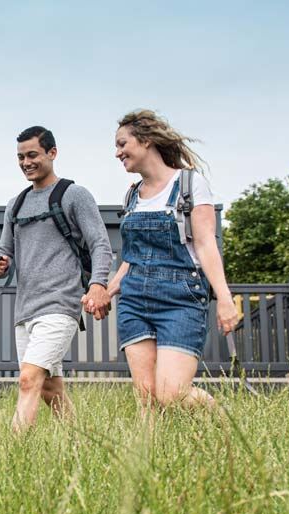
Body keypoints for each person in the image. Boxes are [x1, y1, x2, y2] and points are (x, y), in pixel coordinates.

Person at [97, 110, 238, 408]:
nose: (117, 152)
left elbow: (205, 245)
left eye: (123, 144)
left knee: (171, 393)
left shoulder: (189, 184)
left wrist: (224, 298)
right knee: (147, 398)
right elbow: (132, 257)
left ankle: (228, 428)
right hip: (134, 300)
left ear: (146, 141)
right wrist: (107, 291)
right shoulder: (132, 195)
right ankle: (148, 454)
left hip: (180, 299)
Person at [0, 126, 113, 432]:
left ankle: (12, 456)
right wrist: (0, 265)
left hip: (61, 304)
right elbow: (4, 251)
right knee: (49, 389)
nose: (25, 162)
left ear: (52, 153)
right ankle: (79, 441)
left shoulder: (74, 195)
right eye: (20, 157)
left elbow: (100, 243)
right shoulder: (15, 205)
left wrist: (98, 284)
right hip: (25, 309)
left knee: (28, 380)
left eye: (32, 154)